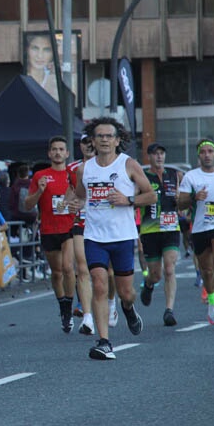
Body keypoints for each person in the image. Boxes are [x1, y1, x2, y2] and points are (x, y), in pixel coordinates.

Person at [70, 117, 154, 360]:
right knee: (98, 283)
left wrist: (127, 200)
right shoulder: (83, 169)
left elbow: (150, 196)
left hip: (122, 236)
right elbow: (81, 196)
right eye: (100, 136)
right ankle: (104, 342)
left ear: (118, 140)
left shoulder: (128, 164)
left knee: (126, 293)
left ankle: (128, 309)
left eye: (109, 136)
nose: (105, 140)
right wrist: (76, 203)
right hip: (94, 236)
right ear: (93, 141)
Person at [177, 139, 214, 325]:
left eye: (211, 151)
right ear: (199, 156)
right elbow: (181, 203)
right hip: (200, 226)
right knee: (207, 270)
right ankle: (211, 300)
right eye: (203, 152)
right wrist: (195, 197)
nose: (207, 154)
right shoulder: (191, 177)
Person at [23, 136, 77, 333]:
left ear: (67, 153)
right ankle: (63, 306)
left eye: (61, 149)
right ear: (49, 153)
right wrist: (39, 191)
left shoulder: (73, 174)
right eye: (54, 149)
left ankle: (69, 305)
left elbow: (83, 197)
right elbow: (27, 205)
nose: (57, 152)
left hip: (70, 227)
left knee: (67, 267)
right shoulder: (40, 176)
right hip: (48, 229)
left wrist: (75, 205)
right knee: (56, 272)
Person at [138, 142, 183, 326]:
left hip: (171, 228)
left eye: (162, 153)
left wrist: (182, 201)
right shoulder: (142, 177)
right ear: (149, 156)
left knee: (170, 268)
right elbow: (135, 200)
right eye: (155, 154)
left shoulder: (174, 175)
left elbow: (181, 199)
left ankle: (169, 310)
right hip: (150, 230)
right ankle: (149, 285)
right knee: (155, 274)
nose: (159, 157)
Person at [67, 136, 97, 334]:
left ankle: (111, 303)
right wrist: (68, 203)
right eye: (84, 142)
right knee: (82, 267)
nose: (88, 145)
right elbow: (70, 193)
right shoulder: (73, 168)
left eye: (91, 142)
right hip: (81, 221)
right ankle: (87, 317)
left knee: (108, 274)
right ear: (80, 146)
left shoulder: (110, 165)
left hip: (104, 224)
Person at [24, 34, 57, 100]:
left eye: (46, 50)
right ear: (27, 50)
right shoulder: (22, 78)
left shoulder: (55, 80)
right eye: (35, 48)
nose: (40, 56)